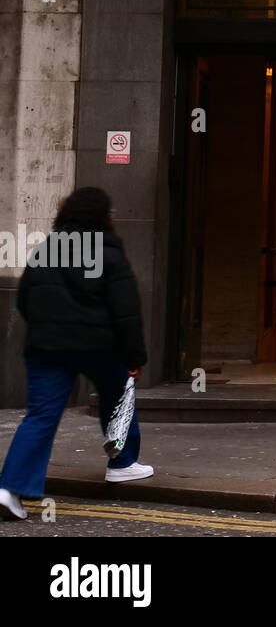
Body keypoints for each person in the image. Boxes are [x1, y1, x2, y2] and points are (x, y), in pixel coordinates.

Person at [0, 187, 153, 521]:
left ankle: (8, 489)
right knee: (118, 398)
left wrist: (47, 328)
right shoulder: (109, 252)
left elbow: (25, 299)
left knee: (40, 416)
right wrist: (134, 358)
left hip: (46, 347)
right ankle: (122, 462)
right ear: (101, 217)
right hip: (100, 347)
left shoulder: (46, 249)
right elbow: (126, 311)